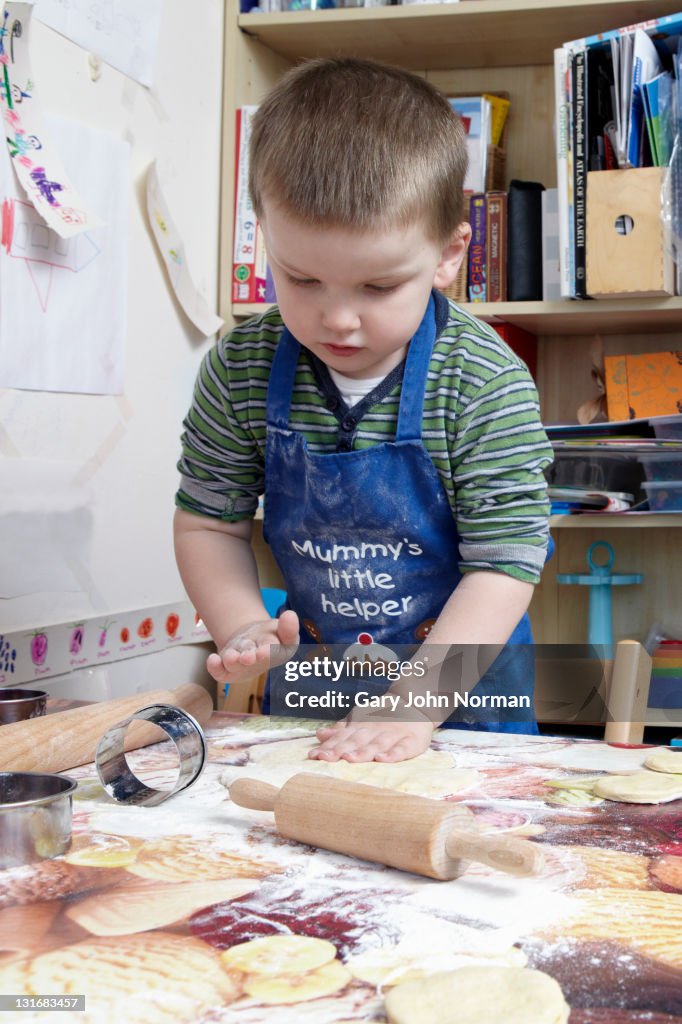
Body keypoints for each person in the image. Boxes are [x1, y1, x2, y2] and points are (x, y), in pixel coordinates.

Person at [174, 57, 554, 764]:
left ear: (448, 255)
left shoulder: (481, 380)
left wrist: (415, 705)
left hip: (462, 698)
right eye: (302, 278)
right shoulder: (242, 369)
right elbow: (208, 524)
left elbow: (505, 563)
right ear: (265, 237)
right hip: (317, 692)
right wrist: (241, 627)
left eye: (378, 286)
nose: (337, 318)